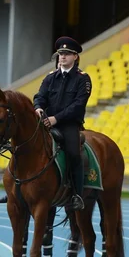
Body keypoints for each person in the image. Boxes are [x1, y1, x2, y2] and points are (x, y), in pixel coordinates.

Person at [30, 36, 92, 211]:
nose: (63, 57)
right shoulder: (50, 78)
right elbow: (39, 96)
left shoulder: (83, 79)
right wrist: (38, 108)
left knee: (73, 153)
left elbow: (78, 105)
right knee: (24, 144)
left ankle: (77, 194)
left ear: (75, 57)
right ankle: (17, 187)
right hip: (46, 122)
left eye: (67, 54)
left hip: (69, 125)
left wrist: (56, 119)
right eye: (60, 54)